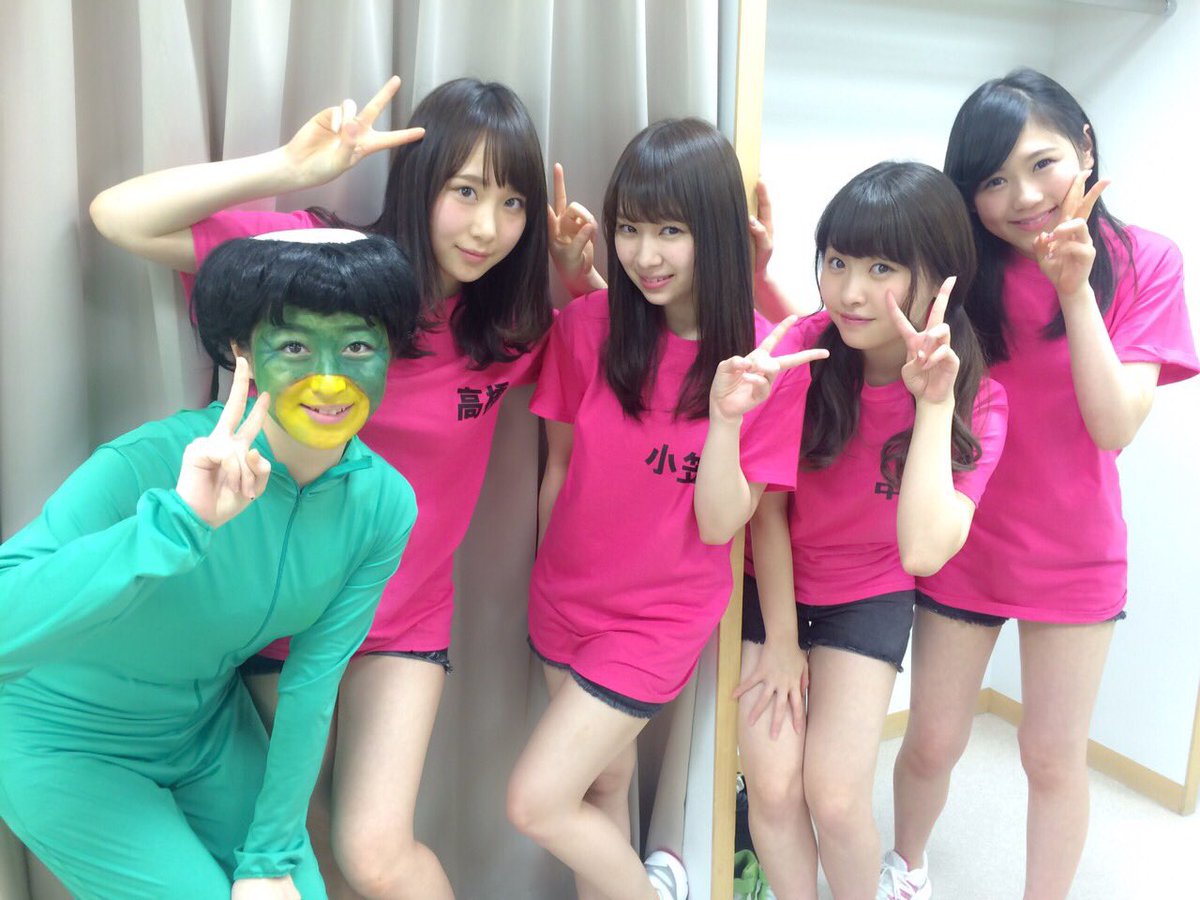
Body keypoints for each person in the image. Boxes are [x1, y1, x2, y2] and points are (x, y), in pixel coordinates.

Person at [90, 76, 552, 899]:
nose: (488, 227)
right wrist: (287, 166)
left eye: (513, 203)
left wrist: (584, 280)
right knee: (297, 845)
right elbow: (120, 216)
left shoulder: (508, 329)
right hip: (283, 607)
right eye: (466, 191)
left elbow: (623, 378)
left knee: (374, 853)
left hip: (403, 619)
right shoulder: (321, 265)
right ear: (421, 183)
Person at [0, 232, 420, 900]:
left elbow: (312, 685)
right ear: (242, 352)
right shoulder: (146, 461)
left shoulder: (383, 504)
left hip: (205, 736)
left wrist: (271, 857)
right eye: (293, 347)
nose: (329, 377)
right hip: (62, 738)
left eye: (358, 346)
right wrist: (174, 524)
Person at [879, 69, 1199, 900]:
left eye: (1042, 164)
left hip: (1075, 552)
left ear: (1085, 148)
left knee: (1052, 757)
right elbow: (866, 337)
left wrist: (1074, 291)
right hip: (964, 534)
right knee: (933, 741)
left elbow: (1114, 425)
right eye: (992, 180)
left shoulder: (1147, 261)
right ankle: (905, 869)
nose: (1022, 198)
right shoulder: (962, 272)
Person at [505, 117, 824, 900]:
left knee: (535, 802)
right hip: (562, 601)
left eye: (670, 231)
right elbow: (559, 466)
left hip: (656, 622)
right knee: (601, 788)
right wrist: (546, 577)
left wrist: (724, 419)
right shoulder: (587, 328)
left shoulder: (768, 365)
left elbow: (722, 525)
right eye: (630, 229)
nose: (645, 254)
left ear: (713, 233)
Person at [702, 162, 1007, 900]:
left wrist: (932, 406)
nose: (849, 291)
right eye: (837, 262)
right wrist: (781, 642)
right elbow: (767, 510)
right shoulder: (806, 352)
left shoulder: (979, 400)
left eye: (881, 269)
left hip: (867, 594)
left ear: (942, 277)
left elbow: (923, 550)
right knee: (773, 788)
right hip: (770, 585)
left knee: (836, 799)